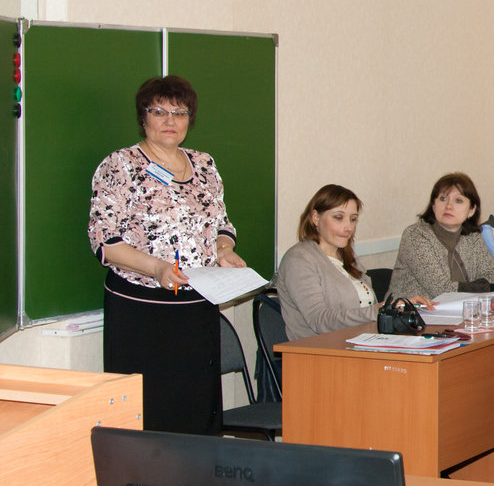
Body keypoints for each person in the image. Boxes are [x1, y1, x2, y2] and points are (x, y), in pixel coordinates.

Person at [87, 75, 246, 435]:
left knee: (197, 412)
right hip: (142, 312)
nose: (170, 121)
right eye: (159, 112)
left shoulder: (204, 164)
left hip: (197, 309)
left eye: (180, 112)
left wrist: (224, 250)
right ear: (143, 117)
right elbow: (104, 241)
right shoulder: (121, 165)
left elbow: (221, 224)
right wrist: (157, 268)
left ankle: (198, 473)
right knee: (148, 417)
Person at [275, 185, 427, 341]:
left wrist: (397, 308)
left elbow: (364, 311)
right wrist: (378, 311)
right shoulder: (299, 259)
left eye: (353, 219)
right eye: (338, 217)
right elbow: (319, 320)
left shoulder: (347, 256)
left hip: (363, 341)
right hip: (322, 350)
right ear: (316, 218)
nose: (348, 227)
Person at [387, 172, 494, 300]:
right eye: (443, 199)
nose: (449, 206)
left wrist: (478, 288)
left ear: (471, 210)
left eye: (458, 200)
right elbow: (441, 289)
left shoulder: (472, 236)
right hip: (411, 313)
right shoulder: (416, 236)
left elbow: (492, 277)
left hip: (460, 310)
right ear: (433, 206)